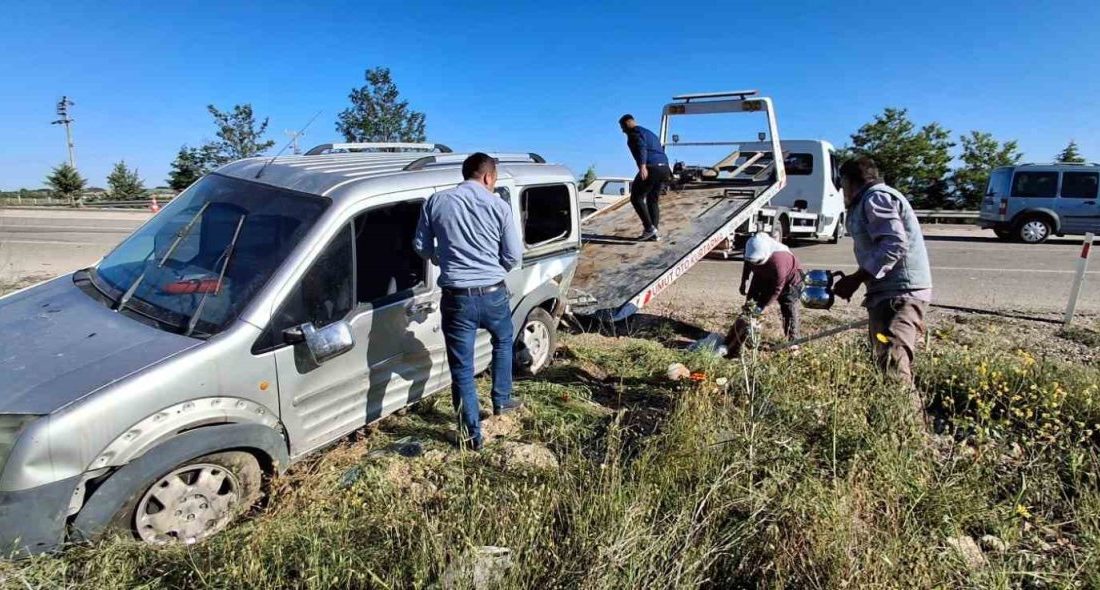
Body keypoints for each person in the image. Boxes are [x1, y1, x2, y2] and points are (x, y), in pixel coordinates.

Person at [414, 153, 524, 450]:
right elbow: (513, 255)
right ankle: (502, 400)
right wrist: (492, 271)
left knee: (462, 368)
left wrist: (441, 258)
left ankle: (472, 436)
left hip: (457, 298)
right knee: (503, 342)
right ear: (488, 177)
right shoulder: (499, 206)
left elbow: (421, 246)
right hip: (493, 293)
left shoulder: (436, 201)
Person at [832, 156, 933, 400]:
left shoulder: (876, 197)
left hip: (899, 294)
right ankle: (893, 419)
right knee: (885, 363)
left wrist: (856, 278)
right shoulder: (871, 199)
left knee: (893, 369)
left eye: (842, 185)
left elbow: (894, 244)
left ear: (848, 181)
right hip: (889, 293)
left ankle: (905, 423)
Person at [725, 232, 803, 357]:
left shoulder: (779, 262)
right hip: (762, 275)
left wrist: (764, 307)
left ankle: (793, 343)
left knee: (788, 308)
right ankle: (736, 338)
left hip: (790, 281)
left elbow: (777, 289)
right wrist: (744, 281)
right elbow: (748, 264)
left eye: (758, 262)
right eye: (753, 262)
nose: (754, 264)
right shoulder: (752, 251)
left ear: (765, 255)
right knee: (750, 307)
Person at [620, 114, 671, 241]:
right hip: (664, 168)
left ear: (627, 124)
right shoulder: (649, 133)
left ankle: (649, 228)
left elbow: (641, 147)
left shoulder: (634, 133)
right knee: (652, 200)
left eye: (622, 127)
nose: (622, 131)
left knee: (636, 198)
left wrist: (643, 166)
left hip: (651, 167)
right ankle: (654, 233)